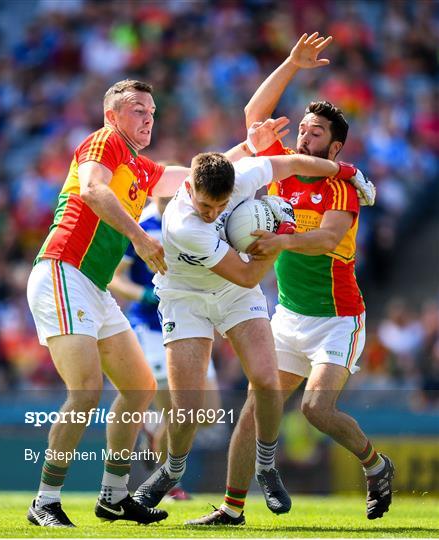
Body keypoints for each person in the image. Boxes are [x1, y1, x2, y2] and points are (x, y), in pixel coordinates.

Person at [186, 32, 392, 527]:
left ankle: (375, 464)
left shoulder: (339, 185)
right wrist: (292, 64)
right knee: (255, 409)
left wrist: (277, 242)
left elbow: (325, 240)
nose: (304, 137)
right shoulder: (280, 170)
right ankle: (231, 510)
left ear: (335, 147)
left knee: (318, 410)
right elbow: (254, 114)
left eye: (316, 133)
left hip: (339, 319)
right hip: (290, 316)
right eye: (303, 129)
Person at [133, 141, 368, 522]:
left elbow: (289, 161)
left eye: (221, 207)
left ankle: (266, 466)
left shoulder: (242, 178)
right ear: (189, 189)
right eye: (205, 206)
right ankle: (172, 469)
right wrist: (279, 241)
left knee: (266, 380)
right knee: (188, 407)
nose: (212, 215)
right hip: (186, 296)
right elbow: (245, 274)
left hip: (232, 295)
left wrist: (348, 172)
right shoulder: (183, 223)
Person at [26, 79, 192, 528]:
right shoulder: (105, 141)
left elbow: (194, 175)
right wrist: (139, 238)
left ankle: (113, 495)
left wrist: (248, 152)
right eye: (138, 109)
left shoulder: (140, 167)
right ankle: (45, 499)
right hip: (62, 270)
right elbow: (94, 192)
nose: (147, 118)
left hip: (93, 286)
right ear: (112, 115)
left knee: (139, 387)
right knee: (85, 390)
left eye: (152, 112)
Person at [109, 194, 221, 500]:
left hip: (191, 324)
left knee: (208, 414)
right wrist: (146, 295)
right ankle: (169, 486)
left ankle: (154, 430)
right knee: (177, 410)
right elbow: (114, 279)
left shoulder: (194, 221)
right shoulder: (141, 226)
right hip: (151, 327)